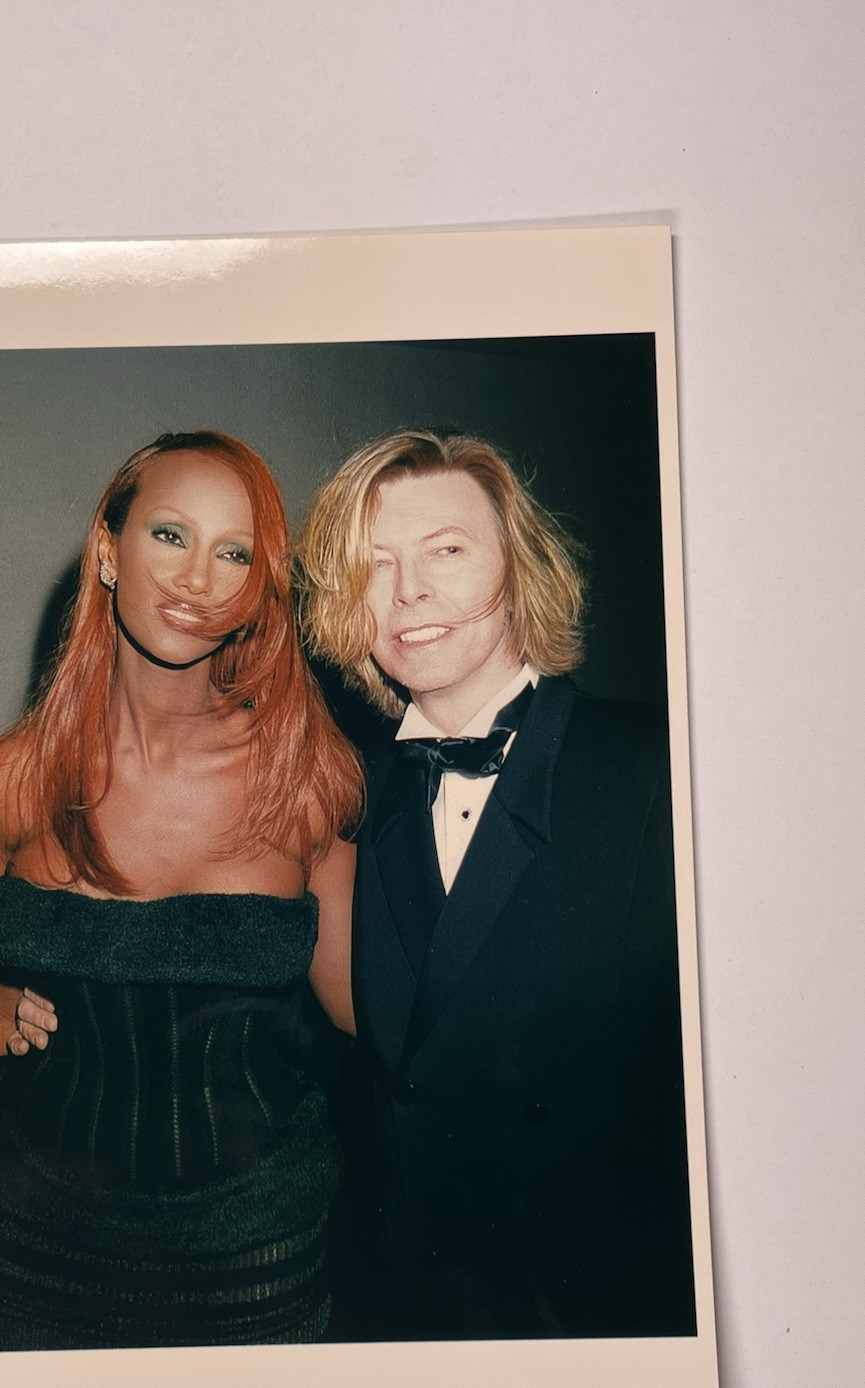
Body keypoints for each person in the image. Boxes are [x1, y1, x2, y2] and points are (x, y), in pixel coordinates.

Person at [0, 430, 362, 1351]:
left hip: (257, 1262)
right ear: (108, 549)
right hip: (26, 1253)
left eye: (235, 553)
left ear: (258, 588)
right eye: (170, 535)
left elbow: (372, 1014)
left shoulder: (306, 780)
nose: (198, 578)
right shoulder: (9, 782)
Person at [293, 428, 697, 1341]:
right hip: (407, 1319)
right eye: (374, 565)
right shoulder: (346, 795)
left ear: (517, 568)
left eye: (446, 550)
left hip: (605, 1323)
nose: (408, 590)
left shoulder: (661, 769)